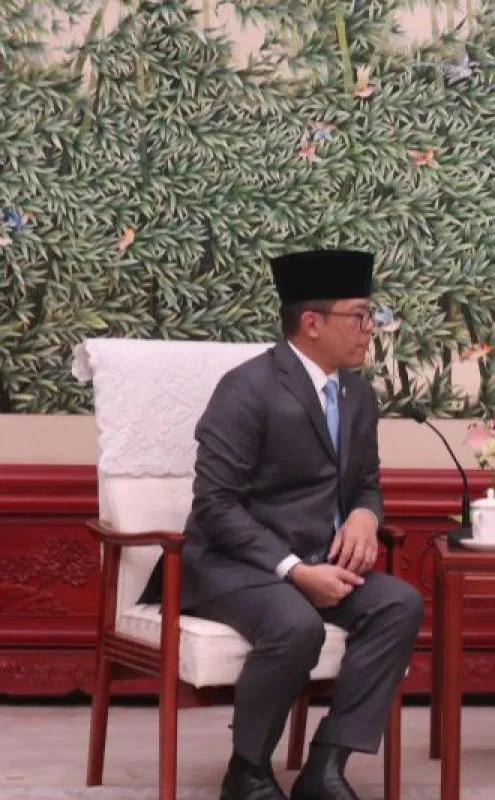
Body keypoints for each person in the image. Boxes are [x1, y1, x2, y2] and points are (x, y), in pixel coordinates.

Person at [141, 249, 423, 800]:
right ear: (312, 323)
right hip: (233, 565)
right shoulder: (247, 388)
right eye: (359, 315)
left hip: (322, 561)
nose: (370, 328)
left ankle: (326, 766)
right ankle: (246, 772)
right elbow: (215, 504)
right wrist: (293, 569)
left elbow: (366, 481)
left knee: (399, 604)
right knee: (296, 625)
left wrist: (365, 515)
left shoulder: (357, 394)